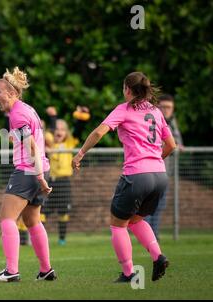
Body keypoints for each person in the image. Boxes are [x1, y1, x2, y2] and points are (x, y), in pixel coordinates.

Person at [72, 71, 177, 282]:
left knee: (117, 223)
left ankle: (129, 273)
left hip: (137, 175)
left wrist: (80, 153)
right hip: (160, 174)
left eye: (123, 88)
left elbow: (99, 132)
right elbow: (171, 145)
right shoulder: (156, 111)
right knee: (136, 220)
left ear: (128, 89)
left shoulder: (124, 109)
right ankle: (158, 256)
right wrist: (154, 161)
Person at [0, 67, 56, 282]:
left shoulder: (17, 114)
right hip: (39, 169)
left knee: (6, 218)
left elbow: (32, 147)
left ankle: (11, 271)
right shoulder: (26, 109)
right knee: (33, 221)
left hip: (28, 172)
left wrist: (40, 178)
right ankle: (46, 271)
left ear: (12, 93)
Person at [42, 105, 90, 245]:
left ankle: (62, 239)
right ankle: (41, 239)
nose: (59, 132)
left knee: (63, 212)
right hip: (50, 181)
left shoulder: (69, 142)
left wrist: (81, 117)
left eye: (62, 129)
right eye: (57, 129)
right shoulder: (48, 143)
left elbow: (78, 130)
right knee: (42, 211)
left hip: (64, 182)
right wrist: (53, 117)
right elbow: (49, 133)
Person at [144, 94, 184, 240]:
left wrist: (176, 146)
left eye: (169, 108)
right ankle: (147, 236)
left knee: (160, 205)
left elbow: (177, 143)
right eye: (164, 107)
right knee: (146, 206)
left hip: (164, 173)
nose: (166, 110)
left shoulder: (172, 122)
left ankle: (154, 234)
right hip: (148, 171)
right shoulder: (150, 119)